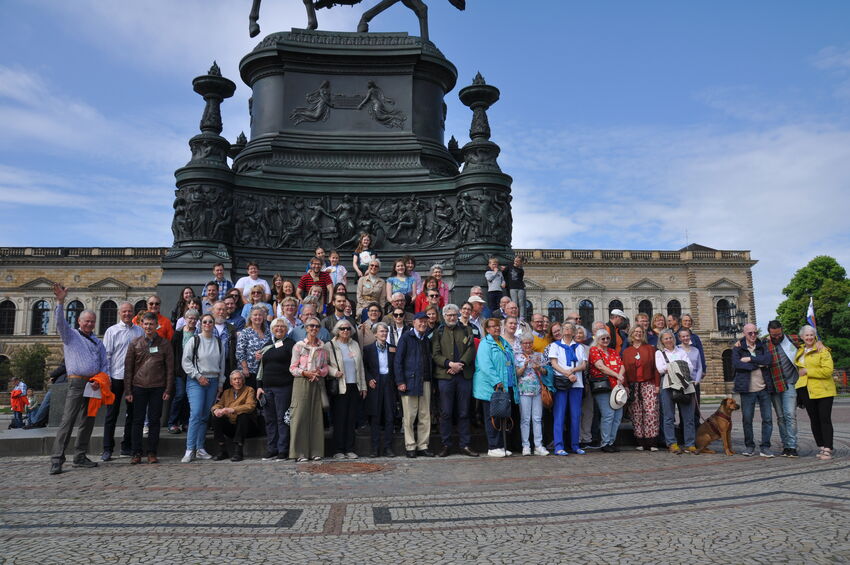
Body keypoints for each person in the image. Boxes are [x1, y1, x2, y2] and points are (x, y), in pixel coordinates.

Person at [49, 283, 109, 475]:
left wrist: (100, 380)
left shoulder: (98, 342)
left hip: (94, 384)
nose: (90, 324)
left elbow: (104, 364)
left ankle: (80, 456)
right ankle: (57, 459)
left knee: (88, 421)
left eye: (92, 321)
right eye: (87, 321)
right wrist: (60, 302)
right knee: (68, 420)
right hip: (76, 383)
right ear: (79, 321)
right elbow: (60, 323)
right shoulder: (71, 336)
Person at [124, 312, 174, 465]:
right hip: (138, 386)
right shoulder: (134, 343)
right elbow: (128, 369)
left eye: (151, 324)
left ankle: (152, 452)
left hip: (157, 387)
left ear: (156, 325)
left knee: (154, 421)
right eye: (146, 324)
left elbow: (170, 369)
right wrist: (128, 391)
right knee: (137, 421)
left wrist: (168, 389)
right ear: (141, 324)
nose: (148, 327)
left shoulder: (165, 344)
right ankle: (136, 453)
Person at [432, 304, 478, 457]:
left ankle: (465, 445)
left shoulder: (466, 329)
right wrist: (449, 364)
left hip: (463, 376)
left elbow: (471, 349)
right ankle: (446, 444)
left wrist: (460, 364)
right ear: (444, 316)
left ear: (458, 315)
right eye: (449, 315)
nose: (452, 317)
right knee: (446, 412)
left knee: (464, 412)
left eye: (454, 315)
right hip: (445, 377)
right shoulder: (438, 332)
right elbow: (435, 354)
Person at [101, 301, 144, 460]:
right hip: (116, 377)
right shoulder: (112, 331)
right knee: (111, 414)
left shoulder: (139, 331)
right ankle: (107, 448)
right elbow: (106, 356)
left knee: (132, 414)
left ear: (134, 313)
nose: (127, 314)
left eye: (130, 311)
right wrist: (107, 377)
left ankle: (127, 446)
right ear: (119, 313)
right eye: (124, 311)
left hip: (134, 379)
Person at [181, 313, 225, 463]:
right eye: (205, 322)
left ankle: (200, 448)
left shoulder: (219, 342)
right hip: (196, 381)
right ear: (201, 324)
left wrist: (220, 383)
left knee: (205, 416)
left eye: (210, 322)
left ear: (213, 324)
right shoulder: (194, 340)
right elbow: (186, 361)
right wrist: (198, 376)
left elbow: (222, 365)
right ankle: (189, 449)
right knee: (196, 414)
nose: (207, 324)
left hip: (213, 381)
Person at [473, 317, 517, 458]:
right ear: (487, 329)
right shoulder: (485, 344)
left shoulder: (503, 342)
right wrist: (497, 381)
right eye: (492, 326)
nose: (496, 328)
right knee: (491, 417)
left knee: (502, 416)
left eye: (498, 325)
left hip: (504, 386)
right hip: (490, 387)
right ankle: (493, 447)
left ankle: (501, 446)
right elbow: (485, 365)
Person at [289, 317, 329, 462]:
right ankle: (300, 453)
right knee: (300, 416)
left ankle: (316, 451)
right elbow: (292, 368)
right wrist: (305, 373)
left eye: (317, 326)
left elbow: (325, 367)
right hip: (302, 381)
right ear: (306, 328)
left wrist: (319, 372)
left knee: (316, 417)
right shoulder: (298, 346)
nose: (314, 328)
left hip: (316, 381)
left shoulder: (323, 347)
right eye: (311, 326)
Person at [394, 312, 435, 458]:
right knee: (409, 416)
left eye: (425, 321)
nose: (423, 324)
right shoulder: (406, 337)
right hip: (409, 382)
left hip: (425, 381)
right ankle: (410, 446)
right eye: (420, 321)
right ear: (414, 322)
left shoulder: (426, 339)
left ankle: (423, 445)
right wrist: (400, 381)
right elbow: (398, 361)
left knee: (425, 416)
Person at [325, 320, 367, 459]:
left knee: (351, 419)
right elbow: (324, 365)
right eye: (342, 328)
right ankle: (338, 449)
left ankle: (349, 448)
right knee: (339, 419)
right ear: (337, 330)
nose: (345, 331)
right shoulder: (329, 345)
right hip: (339, 386)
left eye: (348, 329)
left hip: (354, 385)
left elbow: (360, 366)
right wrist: (334, 372)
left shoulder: (354, 344)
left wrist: (363, 386)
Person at [732, 323, 775, 457]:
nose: (753, 335)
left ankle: (765, 447)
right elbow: (736, 364)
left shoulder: (762, 345)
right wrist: (757, 365)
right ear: (744, 333)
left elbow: (768, 360)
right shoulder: (738, 347)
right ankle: (749, 446)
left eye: (755, 332)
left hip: (764, 388)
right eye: (750, 333)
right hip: (747, 389)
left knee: (767, 419)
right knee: (747, 419)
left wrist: (750, 359)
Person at [256, 318, 296, 461]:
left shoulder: (291, 344)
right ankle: (272, 449)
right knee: (270, 420)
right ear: (272, 329)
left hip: (283, 387)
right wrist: (259, 387)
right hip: (267, 388)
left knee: (282, 419)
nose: (279, 328)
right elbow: (260, 367)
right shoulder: (267, 345)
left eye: (282, 326)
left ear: (287, 329)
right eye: (276, 326)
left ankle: (282, 450)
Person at [795, 325, 836, 460]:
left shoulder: (822, 350)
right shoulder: (800, 350)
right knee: (814, 420)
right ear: (802, 337)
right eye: (806, 335)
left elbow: (828, 371)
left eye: (811, 335)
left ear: (815, 336)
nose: (809, 337)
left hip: (823, 390)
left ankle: (828, 448)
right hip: (805, 389)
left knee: (824, 419)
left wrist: (808, 371)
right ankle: (822, 446)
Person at [764, 320, 802, 457]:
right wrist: (739, 343)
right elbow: (749, 343)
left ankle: (792, 446)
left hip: (790, 383)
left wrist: (819, 342)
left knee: (790, 415)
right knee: (780, 417)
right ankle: (786, 445)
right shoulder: (765, 343)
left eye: (779, 334)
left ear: (782, 330)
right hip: (774, 385)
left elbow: (810, 339)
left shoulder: (792, 340)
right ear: (769, 333)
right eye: (773, 335)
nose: (777, 337)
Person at [656, 328, 697, 455]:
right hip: (668, 384)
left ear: (673, 339)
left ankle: (690, 444)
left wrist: (672, 367)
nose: (669, 340)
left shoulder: (681, 351)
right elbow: (660, 369)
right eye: (666, 338)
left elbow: (690, 367)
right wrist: (678, 365)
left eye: (670, 338)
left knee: (688, 416)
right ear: (662, 340)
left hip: (684, 384)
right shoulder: (659, 353)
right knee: (668, 416)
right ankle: (672, 443)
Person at [549, 322, 586, 456]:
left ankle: (575, 445)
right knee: (559, 414)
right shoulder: (555, 345)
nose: (567, 330)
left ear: (574, 331)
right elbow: (554, 363)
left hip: (577, 383)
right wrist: (567, 374)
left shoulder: (579, 347)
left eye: (570, 328)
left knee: (575, 415)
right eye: (565, 328)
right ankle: (559, 446)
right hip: (562, 383)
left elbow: (584, 365)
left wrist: (573, 371)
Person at [622, 325, 660, 451]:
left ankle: (652, 441)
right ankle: (640, 441)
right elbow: (624, 370)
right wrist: (626, 385)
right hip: (633, 386)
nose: (638, 334)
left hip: (648, 384)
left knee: (651, 412)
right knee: (636, 413)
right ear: (631, 334)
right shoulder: (627, 352)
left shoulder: (650, 349)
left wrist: (657, 385)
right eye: (636, 332)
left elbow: (656, 368)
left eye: (640, 332)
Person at [589, 328, 625, 453]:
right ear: (597, 340)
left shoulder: (613, 351)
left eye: (607, 338)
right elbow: (600, 366)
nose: (605, 340)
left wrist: (620, 376)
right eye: (602, 338)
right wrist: (617, 375)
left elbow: (622, 365)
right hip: (603, 386)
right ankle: (605, 442)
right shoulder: (594, 350)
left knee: (617, 416)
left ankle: (611, 441)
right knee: (608, 414)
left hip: (617, 386)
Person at [363, 322, 396, 457]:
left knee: (389, 416)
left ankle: (388, 447)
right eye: (381, 331)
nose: (384, 334)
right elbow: (364, 367)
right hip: (375, 383)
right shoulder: (368, 349)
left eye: (386, 331)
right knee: (375, 416)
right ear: (375, 334)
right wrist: (369, 379)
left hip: (389, 383)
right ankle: (375, 448)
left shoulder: (393, 348)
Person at [210, 370, 258, 462]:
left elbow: (250, 406)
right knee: (216, 417)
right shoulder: (226, 392)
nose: (237, 381)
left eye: (239, 379)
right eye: (234, 379)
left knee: (243, 415)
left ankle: (238, 451)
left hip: (247, 427)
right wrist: (216, 410)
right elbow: (219, 404)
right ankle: (223, 451)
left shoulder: (249, 390)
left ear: (243, 380)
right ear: (231, 382)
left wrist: (232, 409)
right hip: (232, 427)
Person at [516, 335, 549, 456]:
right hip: (524, 390)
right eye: (525, 343)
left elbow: (546, 372)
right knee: (525, 419)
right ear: (521, 344)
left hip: (537, 390)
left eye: (530, 343)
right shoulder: (517, 356)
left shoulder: (539, 355)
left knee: (537, 419)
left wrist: (539, 368)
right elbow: (516, 374)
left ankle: (538, 445)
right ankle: (526, 446)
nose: (527, 345)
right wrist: (524, 366)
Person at [167, 308, 198, 435]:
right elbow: (172, 352)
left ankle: (185, 422)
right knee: (180, 395)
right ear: (185, 319)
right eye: (190, 318)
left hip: (193, 370)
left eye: (195, 319)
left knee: (188, 397)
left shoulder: (198, 334)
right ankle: (172, 423)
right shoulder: (178, 333)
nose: (192, 320)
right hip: (179, 371)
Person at [678, 327, 704, 421]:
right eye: (683, 336)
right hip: (682, 384)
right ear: (680, 338)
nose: (685, 338)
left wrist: (697, 381)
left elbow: (699, 367)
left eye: (687, 336)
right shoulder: (677, 350)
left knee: (695, 408)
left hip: (694, 382)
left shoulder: (696, 350)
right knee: (683, 409)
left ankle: (696, 427)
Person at [503, 255, 526, 320]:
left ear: (520, 263)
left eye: (517, 262)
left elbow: (520, 278)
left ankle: (521, 317)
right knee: (514, 302)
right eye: (515, 261)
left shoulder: (521, 270)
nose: (515, 262)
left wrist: (518, 267)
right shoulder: (510, 265)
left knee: (521, 302)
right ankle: (514, 316)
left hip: (520, 287)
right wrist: (504, 281)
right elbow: (504, 273)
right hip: (512, 287)